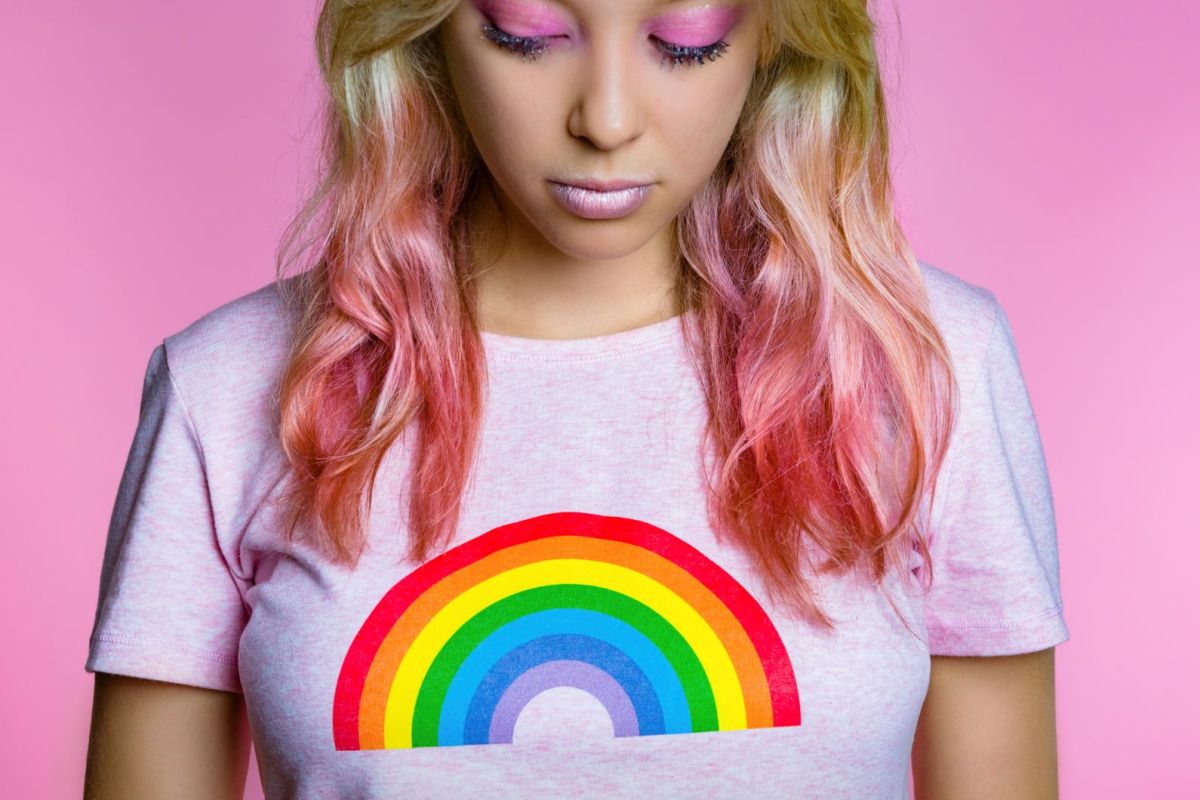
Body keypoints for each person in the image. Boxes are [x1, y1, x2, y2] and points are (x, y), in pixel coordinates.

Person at [82, 0, 1070, 797]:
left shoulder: (927, 362)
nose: (604, 117)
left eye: (683, 40)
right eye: (528, 33)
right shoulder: (228, 387)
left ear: (773, 30)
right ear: (426, 27)